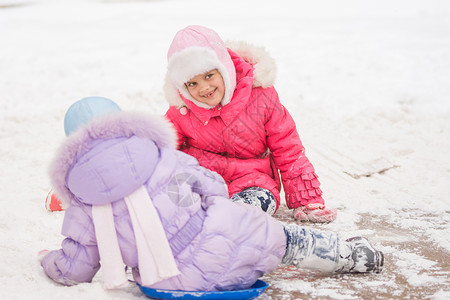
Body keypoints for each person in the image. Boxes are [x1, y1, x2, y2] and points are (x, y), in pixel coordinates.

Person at [40, 97, 383, 292]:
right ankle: (349, 256)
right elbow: (211, 185)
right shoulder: (161, 157)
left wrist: (49, 260)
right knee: (282, 239)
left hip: (170, 283)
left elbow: (77, 267)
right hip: (223, 242)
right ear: (122, 123)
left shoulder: (86, 201)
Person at [164, 25, 336, 223]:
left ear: (225, 68)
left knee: (249, 211)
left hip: (252, 182)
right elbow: (162, 151)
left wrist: (306, 197)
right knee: (173, 203)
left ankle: (229, 220)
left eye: (209, 75)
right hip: (202, 181)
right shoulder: (181, 110)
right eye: (192, 83)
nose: (204, 88)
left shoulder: (261, 97)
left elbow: (288, 148)